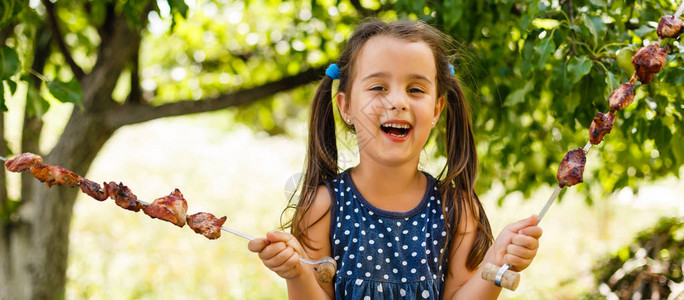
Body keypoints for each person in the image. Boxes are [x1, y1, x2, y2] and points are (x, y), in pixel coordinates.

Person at [248, 19, 542, 299]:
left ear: (437, 108)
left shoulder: (455, 210)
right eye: (378, 87)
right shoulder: (323, 207)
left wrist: (495, 263)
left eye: (416, 89)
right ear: (346, 105)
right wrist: (296, 273)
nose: (398, 101)